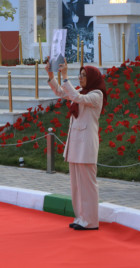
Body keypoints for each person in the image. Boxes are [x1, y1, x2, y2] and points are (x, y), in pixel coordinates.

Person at [45, 58, 106, 231]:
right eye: (79, 75)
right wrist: (51, 74)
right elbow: (60, 92)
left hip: (86, 145)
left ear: (93, 77)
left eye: (84, 75)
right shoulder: (81, 91)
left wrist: (65, 77)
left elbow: (76, 97)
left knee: (88, 185)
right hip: (76, 144)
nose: (80, 78)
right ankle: (80, 218)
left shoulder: (96, 95)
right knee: (77, 185)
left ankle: (91, 221)